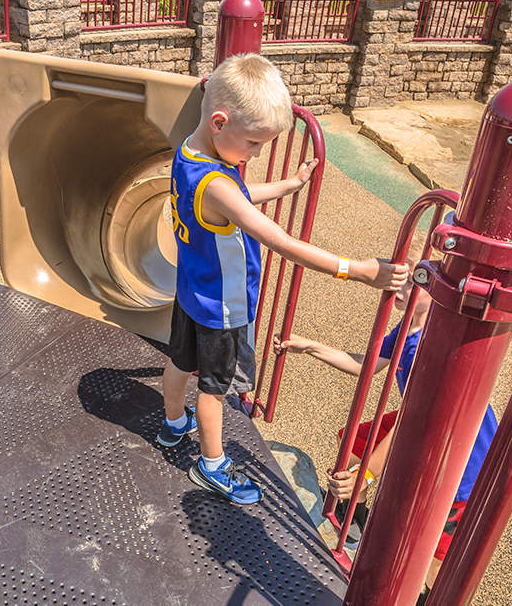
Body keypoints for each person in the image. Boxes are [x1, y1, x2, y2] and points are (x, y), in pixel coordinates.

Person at [157, 53, 409, 506]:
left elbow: (232, 197)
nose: (255, 154)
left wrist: (287, 185)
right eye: (254, 143)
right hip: (223, 306)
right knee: (213, 391)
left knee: (179, 360)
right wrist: (360, 270)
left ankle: (174, 425)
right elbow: (281, 241)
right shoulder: (218, 183)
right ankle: (211, 467)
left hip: (191, 293)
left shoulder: (189, 153)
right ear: (219, 121)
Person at [273, 251, 498, 603]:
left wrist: (368, 475)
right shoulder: (411, 324)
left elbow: (415, 421)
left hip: (464, 454)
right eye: (406, 279)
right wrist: (311, 346)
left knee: (435, 556)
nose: (407, 287)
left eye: (418, 281)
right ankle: (355, 528)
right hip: (422, 419)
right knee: (355, 442)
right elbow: (370, 364)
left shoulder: (437, 337)